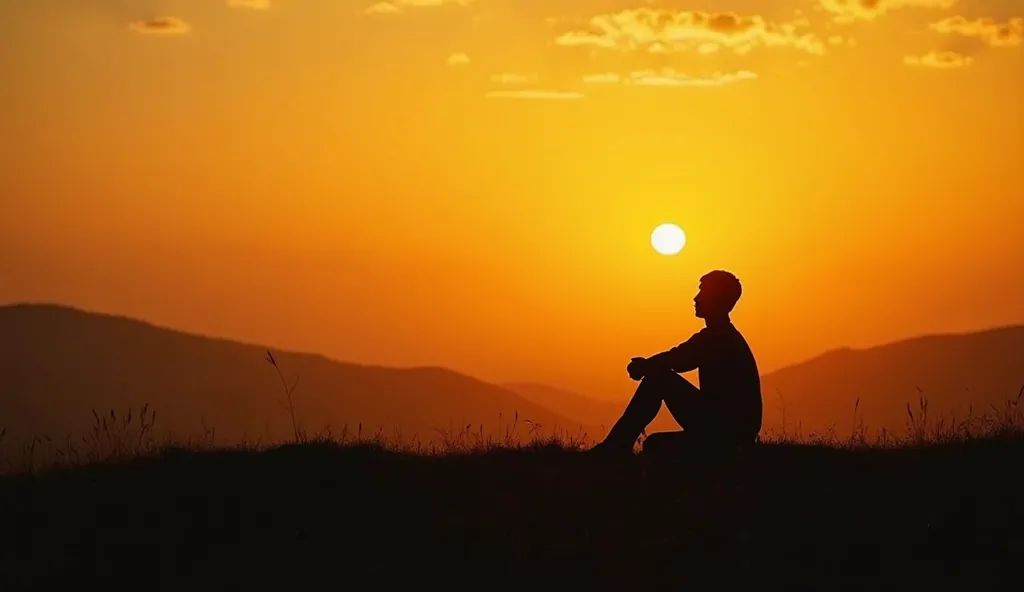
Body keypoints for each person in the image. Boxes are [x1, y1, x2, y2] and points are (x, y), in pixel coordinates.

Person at [591, 270, 762, 456]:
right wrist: (648, 365)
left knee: (658, 380)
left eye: (703, 292)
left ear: (717, 300)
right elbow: (678, 357)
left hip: (725, 432)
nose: (696, 299)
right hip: (731, 432)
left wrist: (644, 367)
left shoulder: (718, 338)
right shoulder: (723, 335)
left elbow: (677, 359)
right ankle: (616, 447)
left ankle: (614, 448)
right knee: (654, 445)